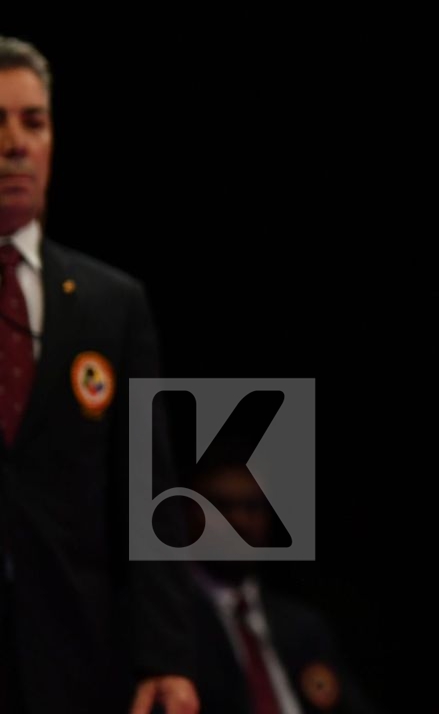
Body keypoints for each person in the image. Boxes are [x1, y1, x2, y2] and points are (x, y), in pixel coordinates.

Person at [0, 36, 198, 714]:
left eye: (34, 122)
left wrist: (166, 656)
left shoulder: (114, 305)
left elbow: (150, 490)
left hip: (76, 658)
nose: (15, 144)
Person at [183, 459, 385, 714]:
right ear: (187, 512)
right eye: (221, 506)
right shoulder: (169, 621)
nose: (239, 521)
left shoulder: (301, 625)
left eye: (252, 507)